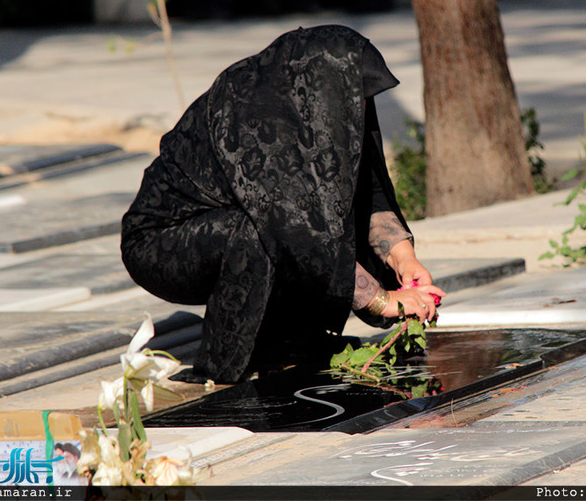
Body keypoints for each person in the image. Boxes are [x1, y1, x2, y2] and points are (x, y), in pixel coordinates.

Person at [121, 25, 445, 383]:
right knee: (262, 230)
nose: (361, 107)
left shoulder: (314, 106)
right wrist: (383, 300)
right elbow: (298, 235)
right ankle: (226, 363)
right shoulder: (256, 111)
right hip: (161, 243)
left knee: (321, 204)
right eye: (356, 96)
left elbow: (368, 189)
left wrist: (403, 259)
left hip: (241, 225)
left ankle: (288, 344)